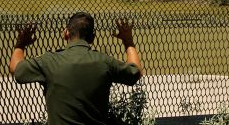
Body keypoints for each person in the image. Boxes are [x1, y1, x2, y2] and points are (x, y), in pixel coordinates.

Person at [9, 12, 143, 125]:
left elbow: (16, 69)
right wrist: (128, 41)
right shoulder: (104, 61)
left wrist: (21, 43)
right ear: (92, 37)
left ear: (66, 33)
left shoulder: (49, 61)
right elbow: (135, 71)